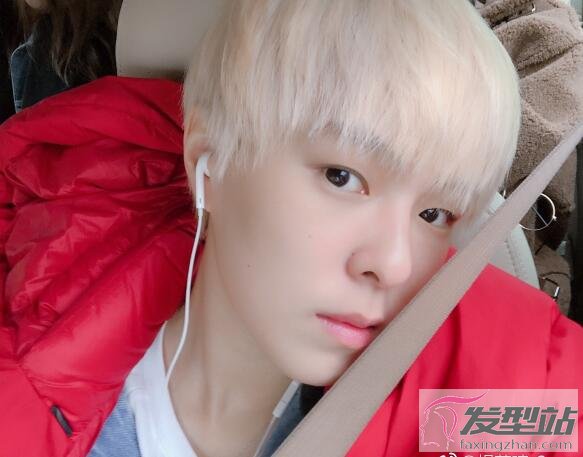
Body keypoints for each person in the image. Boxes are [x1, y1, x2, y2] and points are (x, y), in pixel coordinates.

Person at [0, 1, 581, 456]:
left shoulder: (452, 396)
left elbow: (552, 420)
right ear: (211, 160)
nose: (395, 265)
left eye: (434, 215)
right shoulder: (25, 377)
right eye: (342, 177)